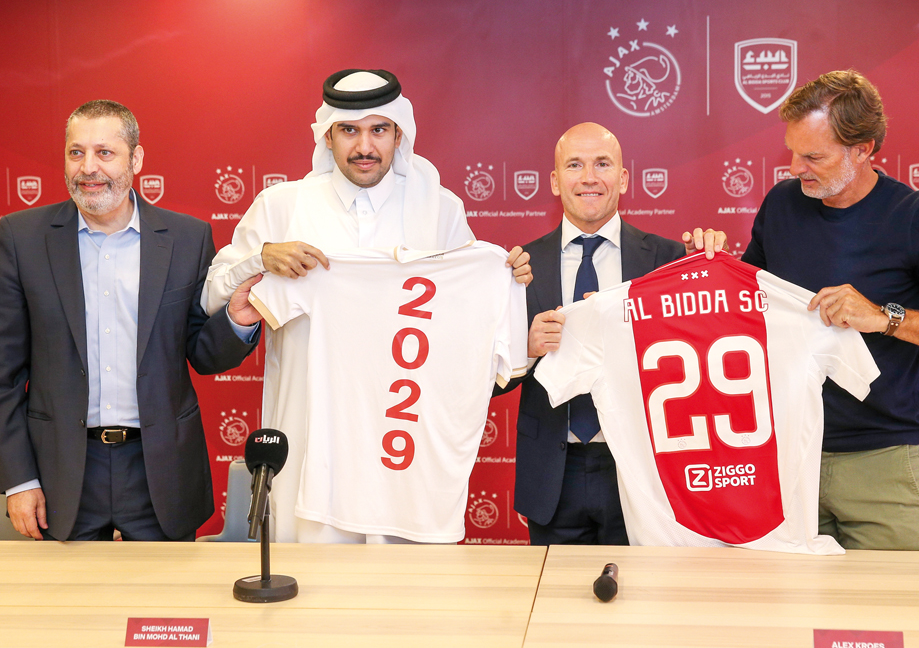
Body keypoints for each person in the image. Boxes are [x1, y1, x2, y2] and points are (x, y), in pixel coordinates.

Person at [202, 69, 531, 543]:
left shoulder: (441, 209)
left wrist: (503, 280)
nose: (365, 146)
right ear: (327, 136)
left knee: (399, 598)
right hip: (309, 439)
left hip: (401, 447)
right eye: (349, 131)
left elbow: (462, 322)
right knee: (307, 585)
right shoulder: (282, 205)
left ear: (399, 134)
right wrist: (261, 258)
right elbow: (212, 293)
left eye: (379, 130)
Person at [742, 70, 919, 550]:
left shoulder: (918, 222)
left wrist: (885, 317)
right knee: (787, 620)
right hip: (784, 458)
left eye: (813, 156)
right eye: (792, 151)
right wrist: (702, 267)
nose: (795, 167)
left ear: (863, 150)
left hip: (880, 464)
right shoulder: (780, 206)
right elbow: (746, 303)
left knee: (887, 618)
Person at [0, 100, 258, 541]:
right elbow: (4, 374)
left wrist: (234, 321)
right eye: (76, 152)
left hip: (160, 469)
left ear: (135, 159)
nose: (88, 168)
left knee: (164, 608)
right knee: (69, 608)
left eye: (105, 152)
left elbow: (202, 353)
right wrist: (19, 480)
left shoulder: (186, 238)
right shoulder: (20, 238)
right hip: (62, 471)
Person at [506, 122, 726, 545]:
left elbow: (708, 357)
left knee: (643, 606)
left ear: (623, 178)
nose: (589, 177)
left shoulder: (668, 260)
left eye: (602, 164)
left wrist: (711, 271)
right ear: (555, 181)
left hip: (642, 471)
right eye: (575, 165)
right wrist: (525, 349)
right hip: (553, 476)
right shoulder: (518, 267)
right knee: (555, 606)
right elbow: (486, 384)